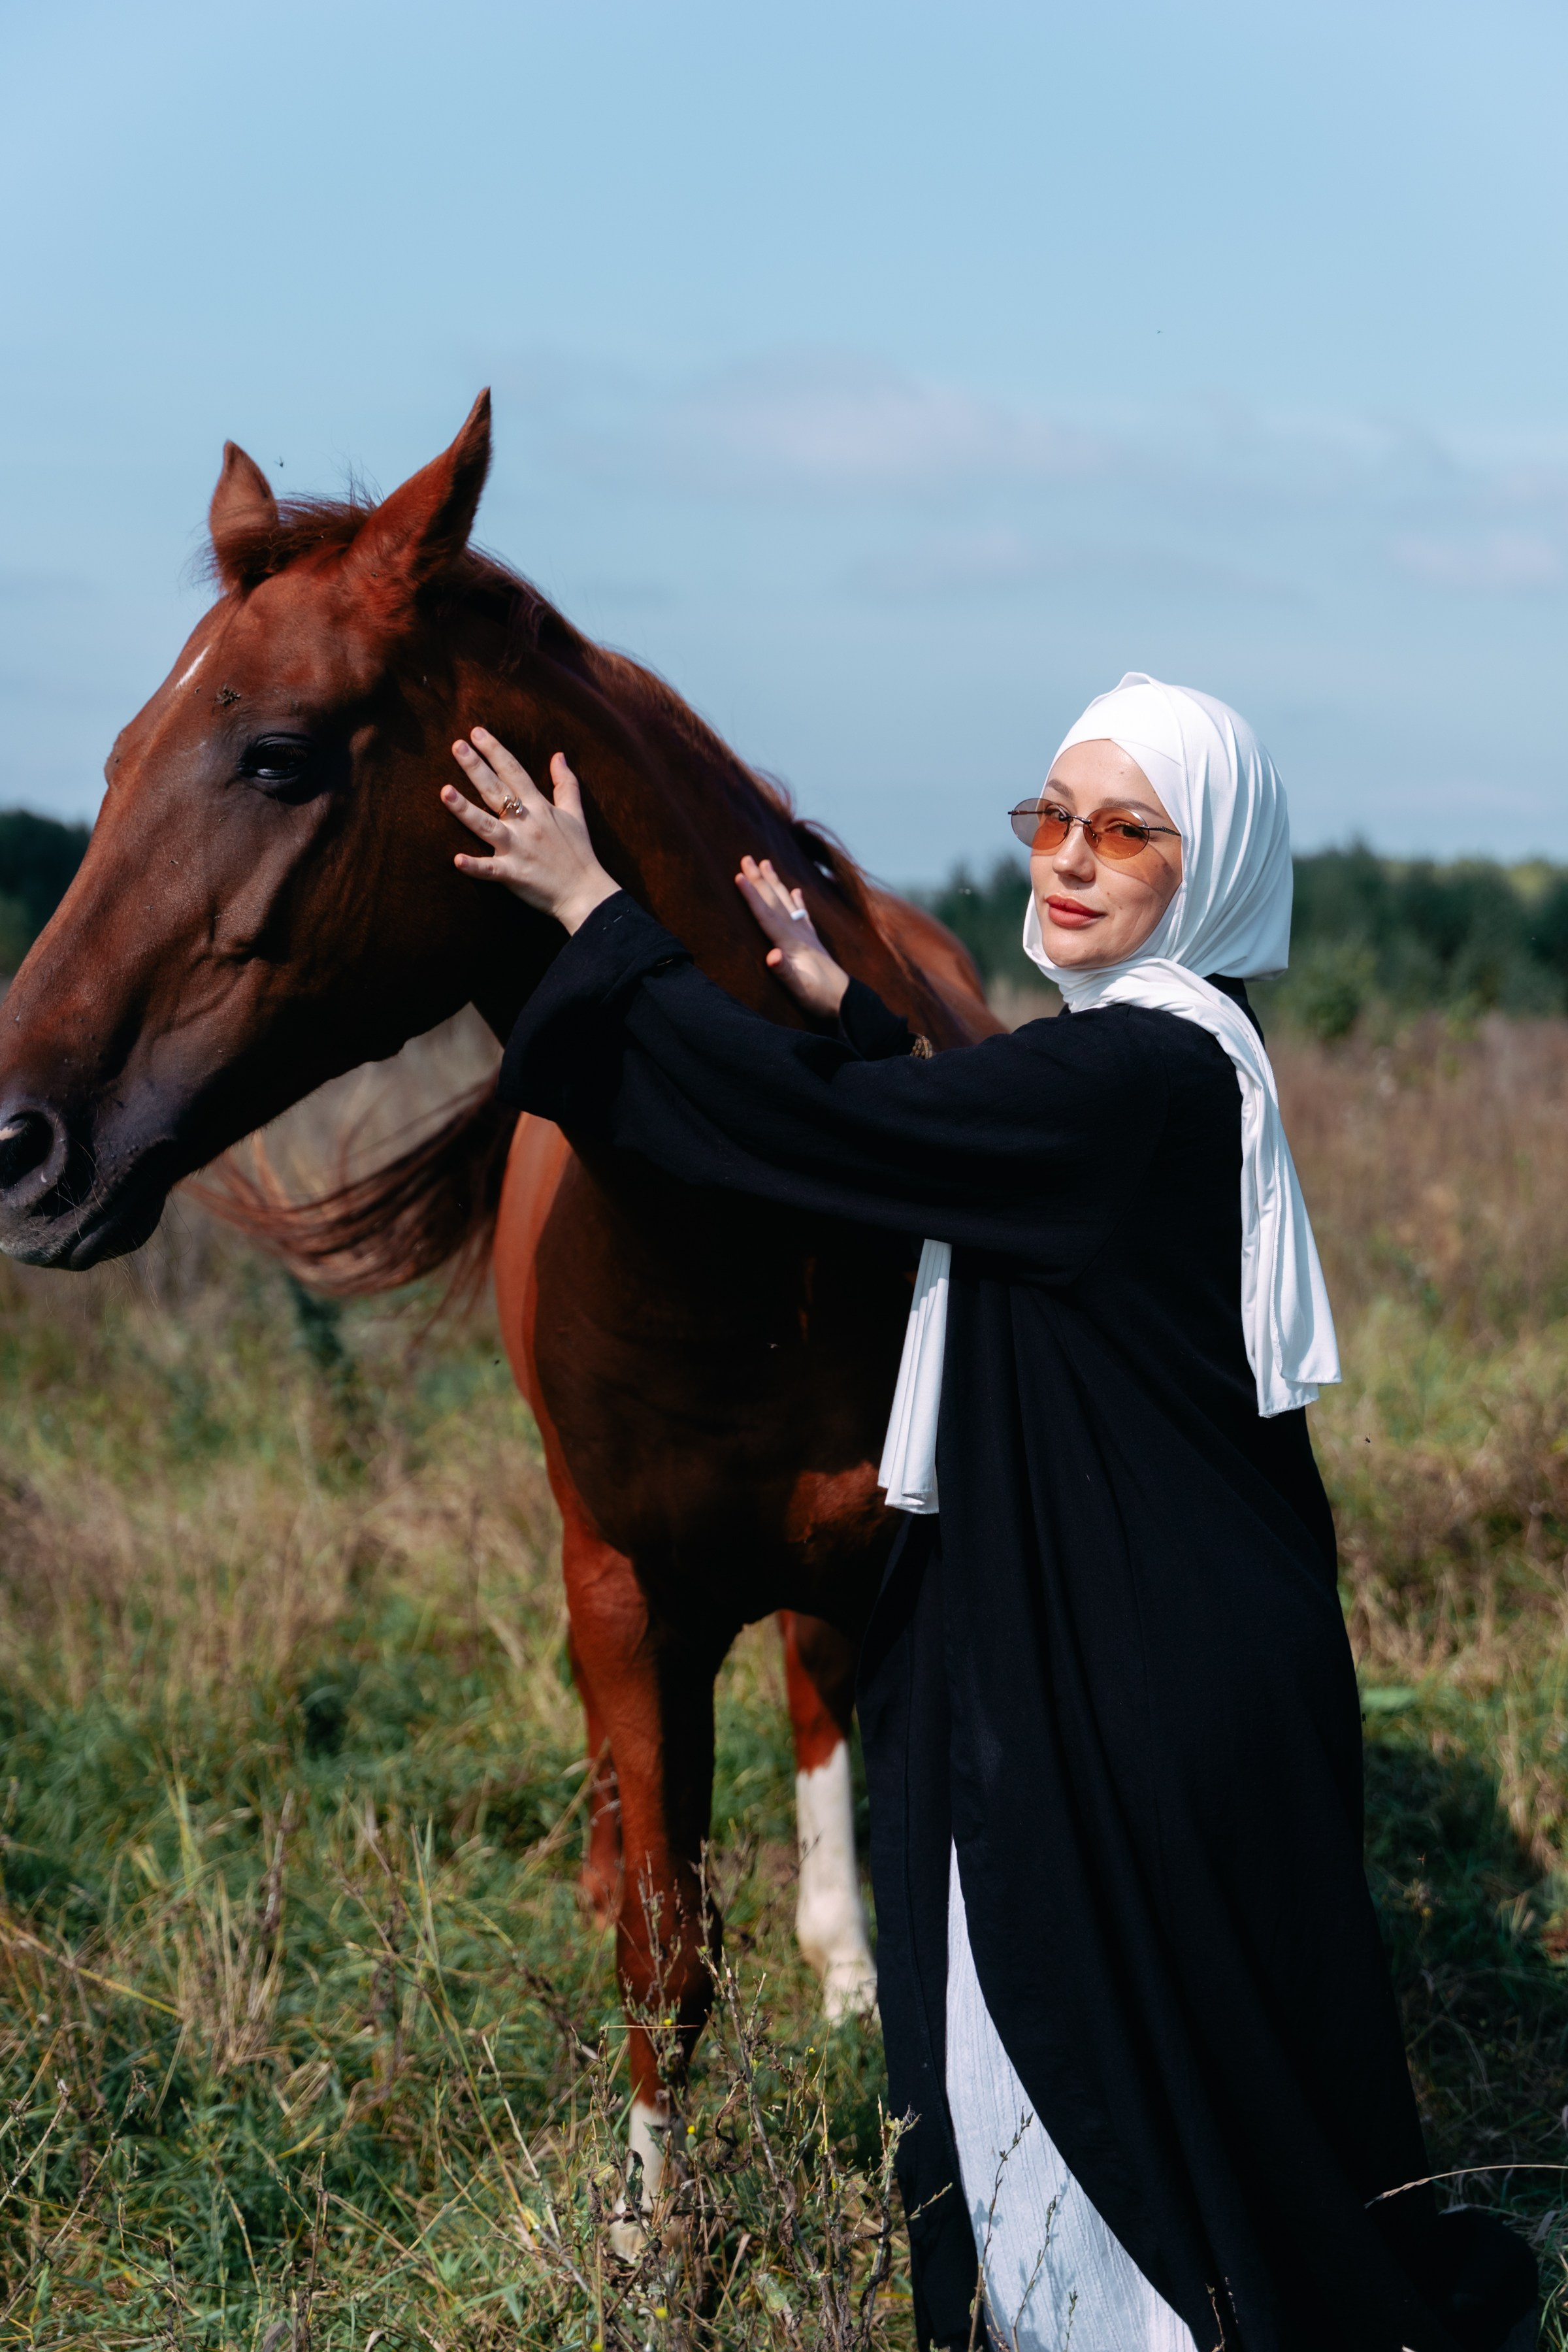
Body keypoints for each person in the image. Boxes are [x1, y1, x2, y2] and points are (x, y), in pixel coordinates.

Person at [438, 677, 1538, 2352]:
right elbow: (957, 1151)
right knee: (1165, 2058)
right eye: (1052, 817)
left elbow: (819, 1139)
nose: (1070, 859)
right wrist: (854, 1012)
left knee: (1084, 2046)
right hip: (1172, 1628)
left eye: (1128, 831)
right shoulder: (1151, 1058)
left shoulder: (1146, 1070)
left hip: (1131, 1665)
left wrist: (599, 917)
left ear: (1219, 863)